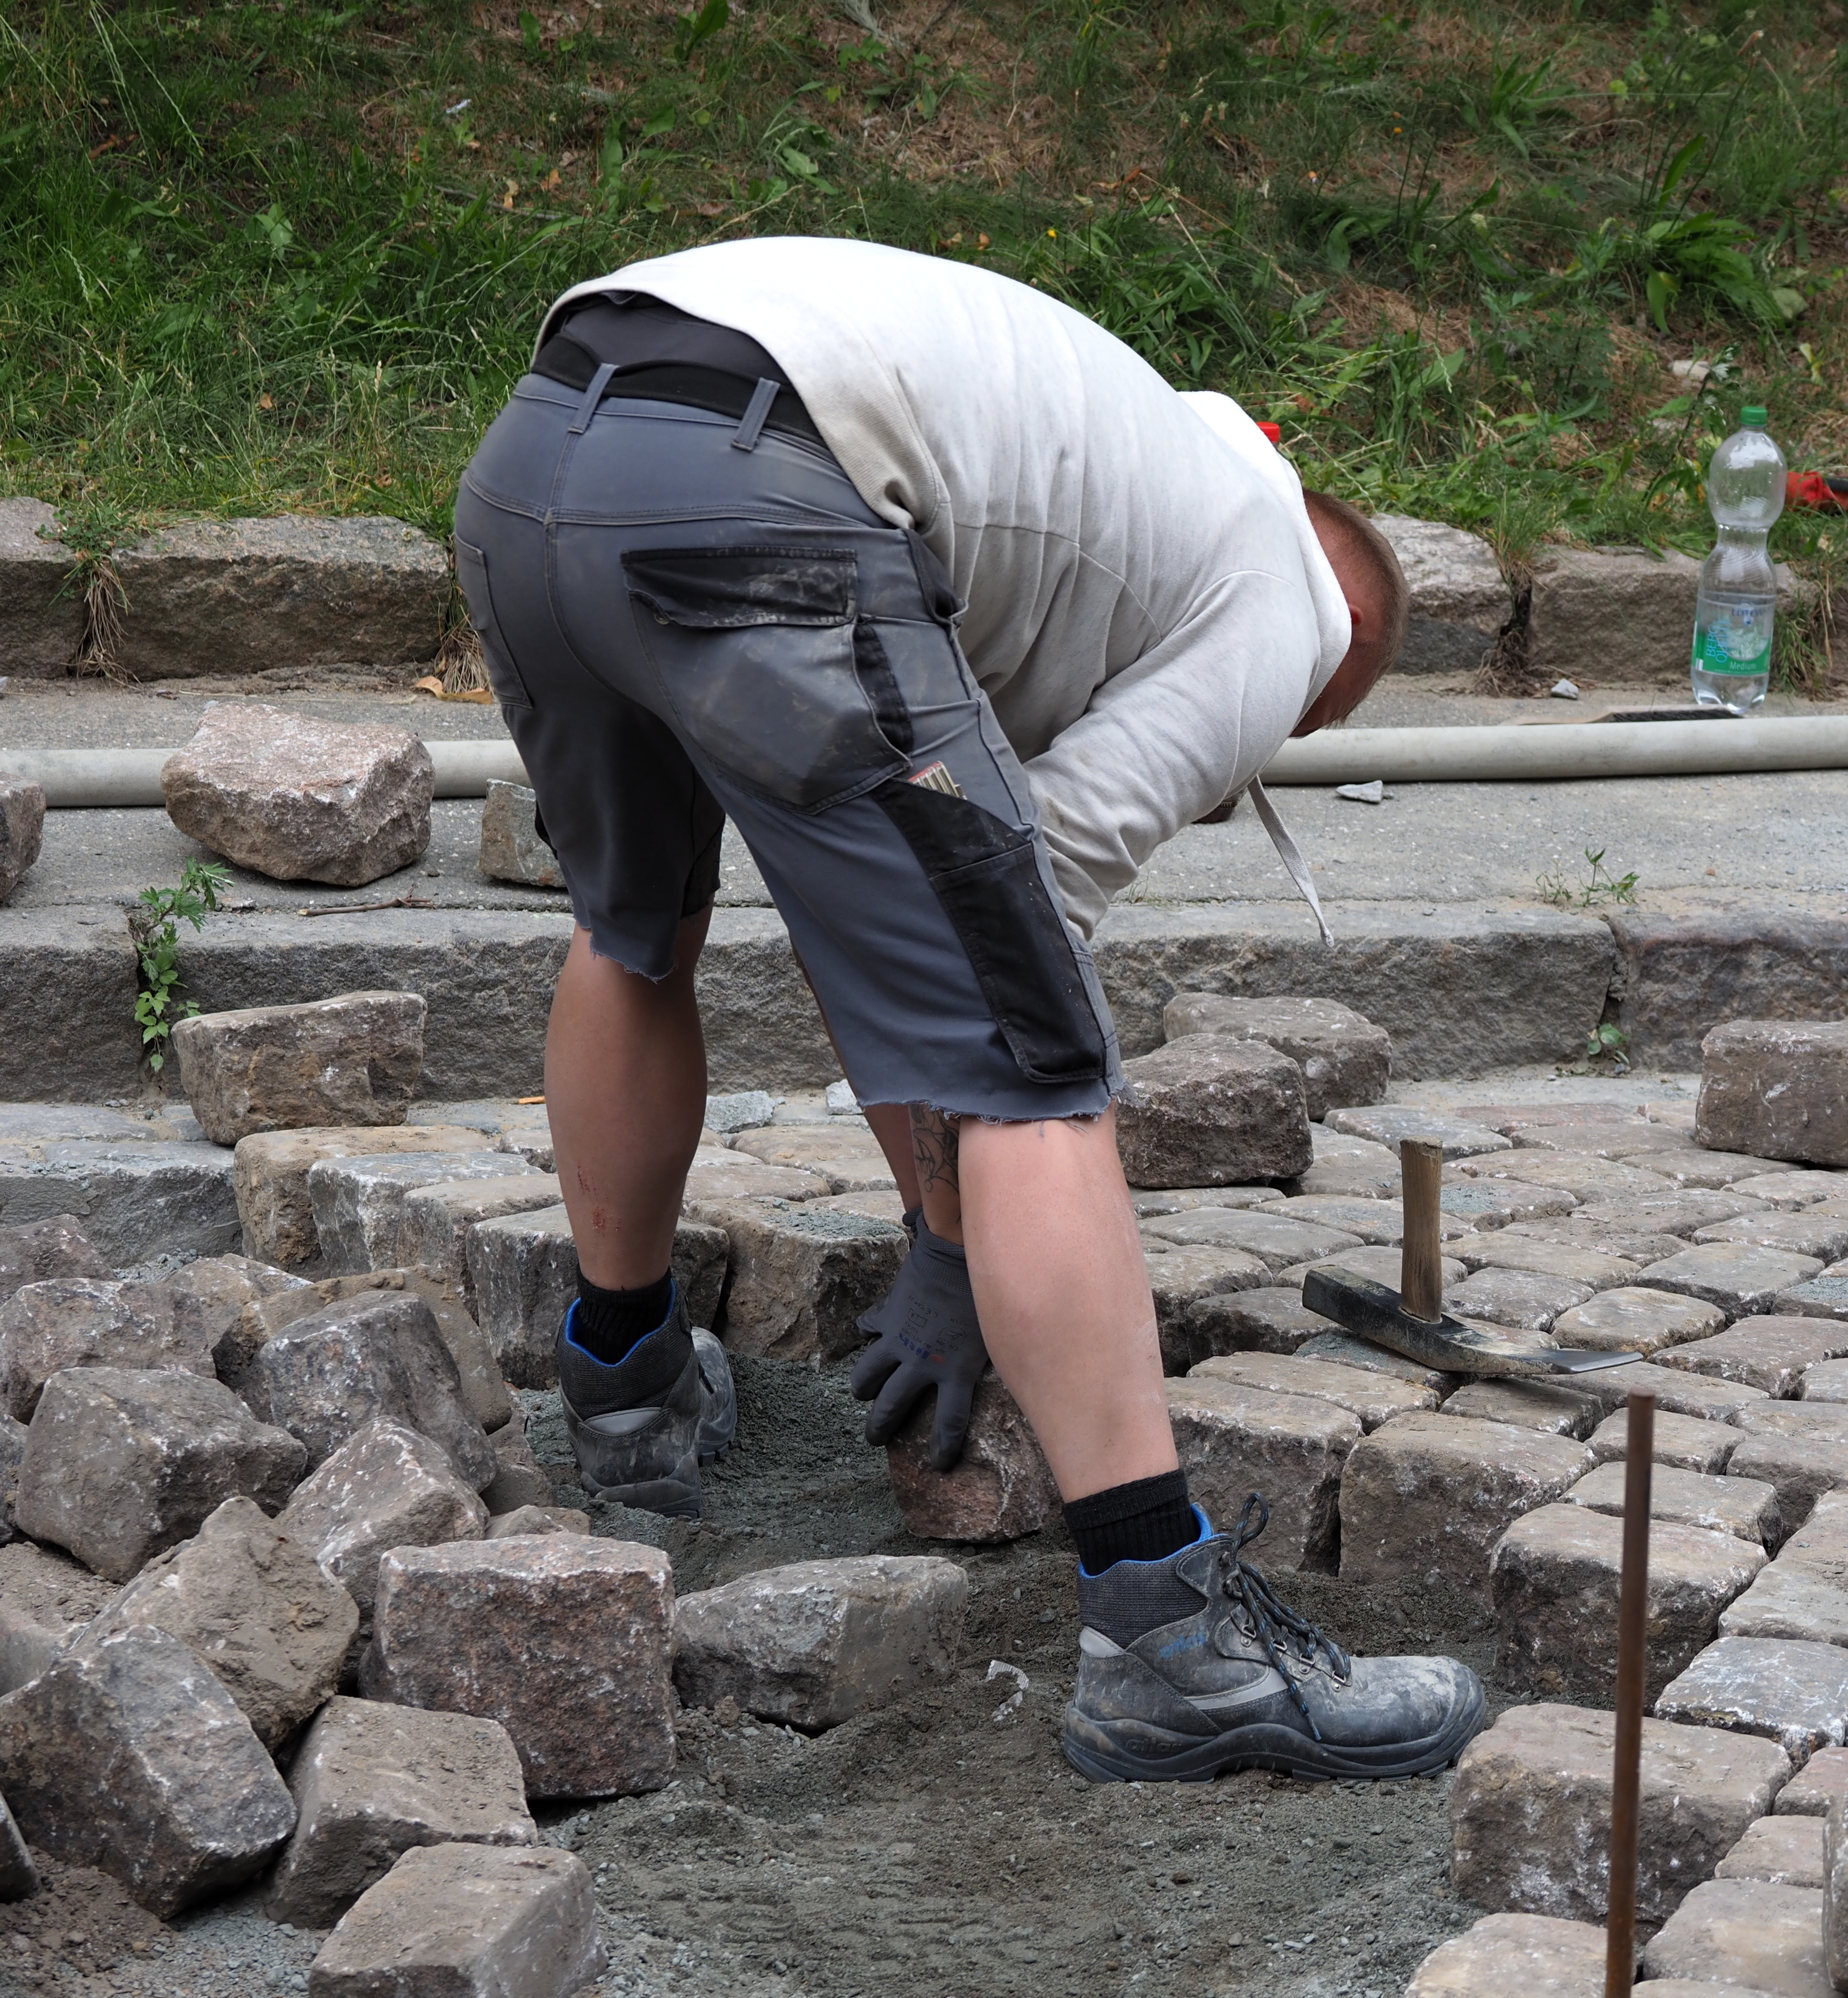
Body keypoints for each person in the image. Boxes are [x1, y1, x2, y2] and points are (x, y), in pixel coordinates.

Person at [453, 234, 1484, 1783]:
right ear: (1333, 666)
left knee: (632, 932)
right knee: (1038, 1051)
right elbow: (1026, 915)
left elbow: (884, 921)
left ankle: (626, 1384)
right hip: (760, 489)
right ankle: (1170, 1641)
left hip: (544, 452)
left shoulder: (1120, 469)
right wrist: (943, 1244)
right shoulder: (1285, 613)